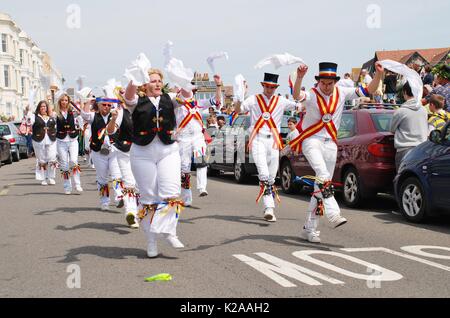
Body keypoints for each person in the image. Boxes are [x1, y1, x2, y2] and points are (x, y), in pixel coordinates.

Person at [291, 62, 384, 243]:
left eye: (329, 83)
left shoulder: (341, 92)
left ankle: (309, 228)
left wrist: (379, 76)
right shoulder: (311, 94)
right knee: (323, 175)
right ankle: (333, 212)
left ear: (335, 82)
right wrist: (300, 77)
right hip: (311, 141)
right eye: (323, 83)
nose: (326, 87)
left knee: (319, 188)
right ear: (319, 81)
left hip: (331, 143)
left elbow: (368, 90)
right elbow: (296, 95)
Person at [124, 68, 187, 258]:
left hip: (168, 149)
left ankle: (170, 232)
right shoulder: (137, 101)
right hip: (142, 152)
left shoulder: (171, 98)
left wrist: (183, 79)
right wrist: (134, 80)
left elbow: (187, 95)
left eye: (159, 80)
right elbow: (128, 97)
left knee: (171, 191)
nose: (157, 83)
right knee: (149, 197)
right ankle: (151, 241)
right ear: (145, 85)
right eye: (153, 81)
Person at [234, 73, 301, 222]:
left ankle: (268, 207)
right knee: (263, 174)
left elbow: (299, 105)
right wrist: (240, 96)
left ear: (276, 87)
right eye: (267, 86)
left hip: (273, 141)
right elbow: (238, 110)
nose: (269, 89)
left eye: (272, 87)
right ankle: (269, 207)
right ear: (263, 86)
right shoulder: (254, 99)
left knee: (271, 176)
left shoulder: (281, 101)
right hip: (257, 139)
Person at [175, 75, 223, 205]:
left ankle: (202, 187)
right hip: (183, 138)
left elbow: (216, 100)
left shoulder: (198, 104)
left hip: (197, 137)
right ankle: (186, 197)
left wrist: (218, 86)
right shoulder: (176, 104)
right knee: (184, 168)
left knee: (201, 160)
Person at [81, 96, 123, 211]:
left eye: (109, 105)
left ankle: (119, 196)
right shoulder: (93, 116)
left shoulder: (115, 116)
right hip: (98, 151)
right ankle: (105, 201)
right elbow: (84, 115)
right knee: (102, 178)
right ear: (98, 105)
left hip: (113, 150)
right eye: (104, 104)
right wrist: (88, 101)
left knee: (116, 175)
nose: (106, 107)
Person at [106, 90, 140, 229]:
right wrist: (113, 119)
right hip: (124, 151)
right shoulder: (120, 112)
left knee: (140, 185)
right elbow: (110, 131)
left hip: (142, 152)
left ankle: (140, 211)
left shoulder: (143, 110)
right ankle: (131, 213)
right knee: (129, 182)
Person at [390, 82, 428, 171]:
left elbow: (392, 130)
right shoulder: (423, 109)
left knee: (402, 178)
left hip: (404, 149)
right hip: (421, 148)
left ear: (405, 92)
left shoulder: (400, 111)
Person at [55, 93, 83, 195]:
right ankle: (67, 186)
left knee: (74, 161)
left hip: (72, 139)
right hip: (61, 141)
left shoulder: (72, 111)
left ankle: (77, 184)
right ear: (59, 101)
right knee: (64, 165)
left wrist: (77, 103)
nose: (64, 102)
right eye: (62, 100)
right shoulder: (56, 113)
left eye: (66, 100)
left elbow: (81, 112)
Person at [28, 101, 58, 186]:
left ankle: (51, 177)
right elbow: (30, 122)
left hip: (51, 139)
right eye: (41, 106)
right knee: (42, 160)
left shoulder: (51, 117)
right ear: (38, 108)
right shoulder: (35, 116)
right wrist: (29, 112)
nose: (43, 108)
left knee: (52, 158)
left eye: (44, 106)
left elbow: (55, 127)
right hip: (38, 140)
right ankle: (43, 178)